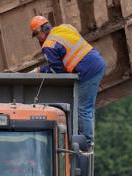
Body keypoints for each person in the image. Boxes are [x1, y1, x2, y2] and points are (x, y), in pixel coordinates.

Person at [30, 15, 106, 151]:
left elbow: (57, 71)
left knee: (83, 109)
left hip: (88, 70)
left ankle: (87, 144)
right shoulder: (65, 28)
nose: (38, 39)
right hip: (97, 62)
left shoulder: (49, 45)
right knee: (87, 107)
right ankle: (87, 140)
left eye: (37, 35)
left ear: (41, 32)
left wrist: (39, 70)